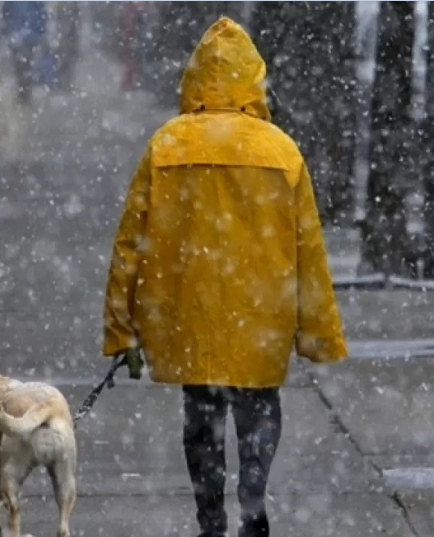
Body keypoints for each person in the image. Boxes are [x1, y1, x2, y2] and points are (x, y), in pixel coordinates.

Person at [101, 17, 347, 537]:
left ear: (193, 80)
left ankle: (210, 518)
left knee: (202, 420)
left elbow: (130, 245)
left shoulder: (166, 145)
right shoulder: (280, 150)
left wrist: (123, 329)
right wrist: (317, 333)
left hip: (189, 314)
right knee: (259, 410)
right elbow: (309, 249)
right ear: (253, 80)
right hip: (261, 312)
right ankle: (253, 504)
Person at [0, 1, 48, 106]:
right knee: (24, 64)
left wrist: (2, 34)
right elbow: (41, 16)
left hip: (21, 37)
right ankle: (24, 90)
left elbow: (6, 15)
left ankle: (24, 90)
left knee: (21, 65)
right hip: (26, 38)